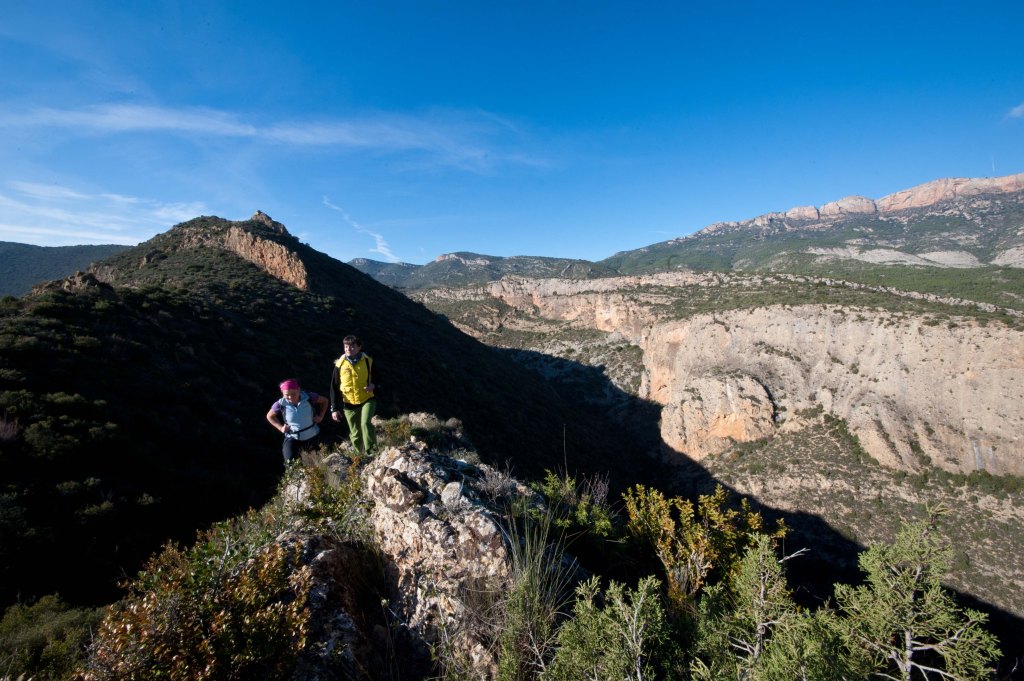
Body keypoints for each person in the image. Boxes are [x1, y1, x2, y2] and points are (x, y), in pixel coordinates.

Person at [330, 335, 378, 456]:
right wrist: (334, 408)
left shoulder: (368, 361)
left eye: (352, 346)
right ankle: (359, 456)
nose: (348, 349)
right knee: (355, 432)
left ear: (359, 347)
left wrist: (373, 386)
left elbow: (378, 378)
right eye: (346, 347)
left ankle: (372, 452)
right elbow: (334, 387)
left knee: (365, 424)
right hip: (349, 403)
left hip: (367, 399)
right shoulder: (339, 365)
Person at [266, 378, 328, 465]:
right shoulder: (280, 404)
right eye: (287, 395)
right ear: (282, 393)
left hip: (312, 435)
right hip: (293, 437)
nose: (290, 397)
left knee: (318, 462)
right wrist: (280, 428)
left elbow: (325, 401)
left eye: (293, 393)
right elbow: (269, 416)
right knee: (291, 464)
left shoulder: (308, 397)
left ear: (299, 390)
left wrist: (321, 416)